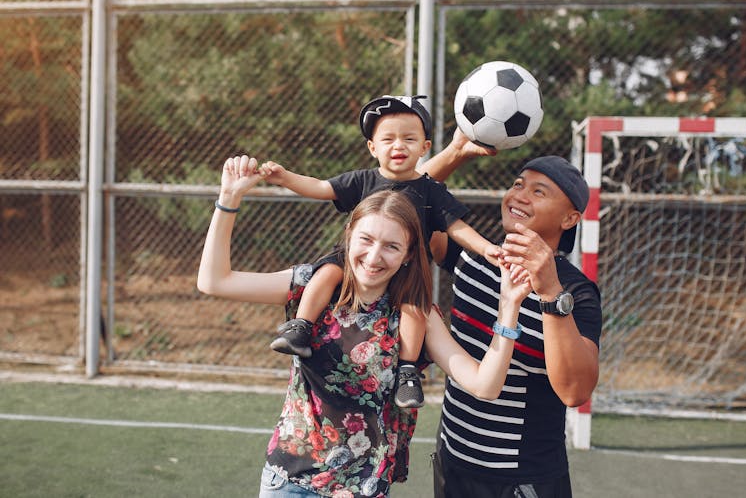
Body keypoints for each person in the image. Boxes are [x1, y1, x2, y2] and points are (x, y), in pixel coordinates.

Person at [197, 154, 531, 497]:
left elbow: (485, 385)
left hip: (363, 488)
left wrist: (509, 309)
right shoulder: (313, 285)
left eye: (391, 246)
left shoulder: (416, 314)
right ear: (349, 235)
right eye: (367, 240)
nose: (374, 257)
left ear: (408, 255)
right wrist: (229, 199)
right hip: (290, 482)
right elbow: (214, 282)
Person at [257, 95, 502, 409]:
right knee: (327, 273)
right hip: (354, 263)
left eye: (409, 139)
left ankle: (407, 371)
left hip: (406, 269)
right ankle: (300, 327)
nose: (398, 145)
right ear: (373, 147)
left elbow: (456, 227)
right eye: (388, 139)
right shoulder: (362, 180)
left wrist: (487, 248)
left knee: (415, 310)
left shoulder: (431, 190)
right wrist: (284, 178)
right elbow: (320, 188)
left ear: (425, 147)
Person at [418, 130, 603, 498]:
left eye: (539, 191)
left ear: (569, 218)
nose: (520, 195)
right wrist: (455, 153)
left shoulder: (576, 292)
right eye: (518, 184)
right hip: (453, 463)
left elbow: (575, 391)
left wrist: (550, 290)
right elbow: (406, 200)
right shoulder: (474, 255)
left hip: (523, 480)